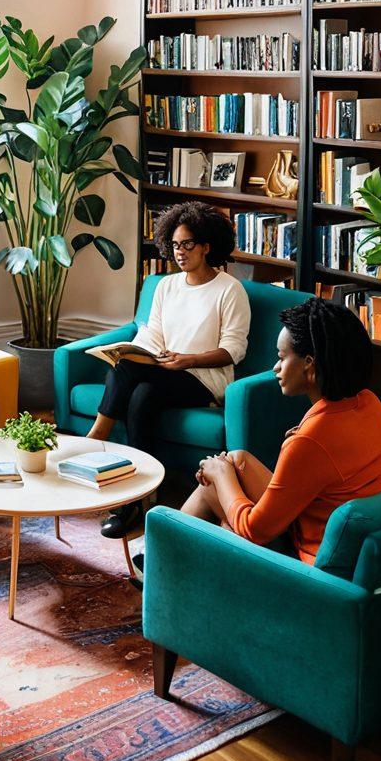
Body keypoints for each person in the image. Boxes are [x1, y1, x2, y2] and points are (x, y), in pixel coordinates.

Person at [178, 296, 381, 565]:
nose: (276, 368)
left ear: (309, 363)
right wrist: (228, 468)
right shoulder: (368, 402)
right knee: (236, 459)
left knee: (214, 488)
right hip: (343, 543)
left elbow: (255, 530)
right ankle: (174, 561)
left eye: (282, 358)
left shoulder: (311, 439)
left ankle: (166, 565)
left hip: (309, 564)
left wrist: (219, 474)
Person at [90, 201, 251, 539]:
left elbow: (234, 350)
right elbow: (152, 334)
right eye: (175, 245)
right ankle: (140, 497)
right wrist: (140, 352)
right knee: (141, 390)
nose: (180, 252)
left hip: (205, 380)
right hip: (165, 373)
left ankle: (97, 437)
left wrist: (187, 360)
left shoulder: (229, 290)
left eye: (188, 244)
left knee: (127, 374)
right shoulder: (166, 286)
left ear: (207, 246)